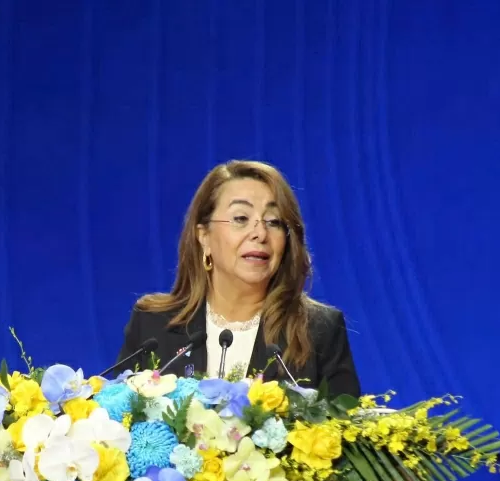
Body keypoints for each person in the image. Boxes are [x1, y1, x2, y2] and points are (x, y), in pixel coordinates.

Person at [116, 159, 361, 398]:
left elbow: (344, 434)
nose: (260, 233)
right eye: (241, 219)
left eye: (274, 222)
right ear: (204, 237)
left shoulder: (318, 331)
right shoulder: (153, 326)